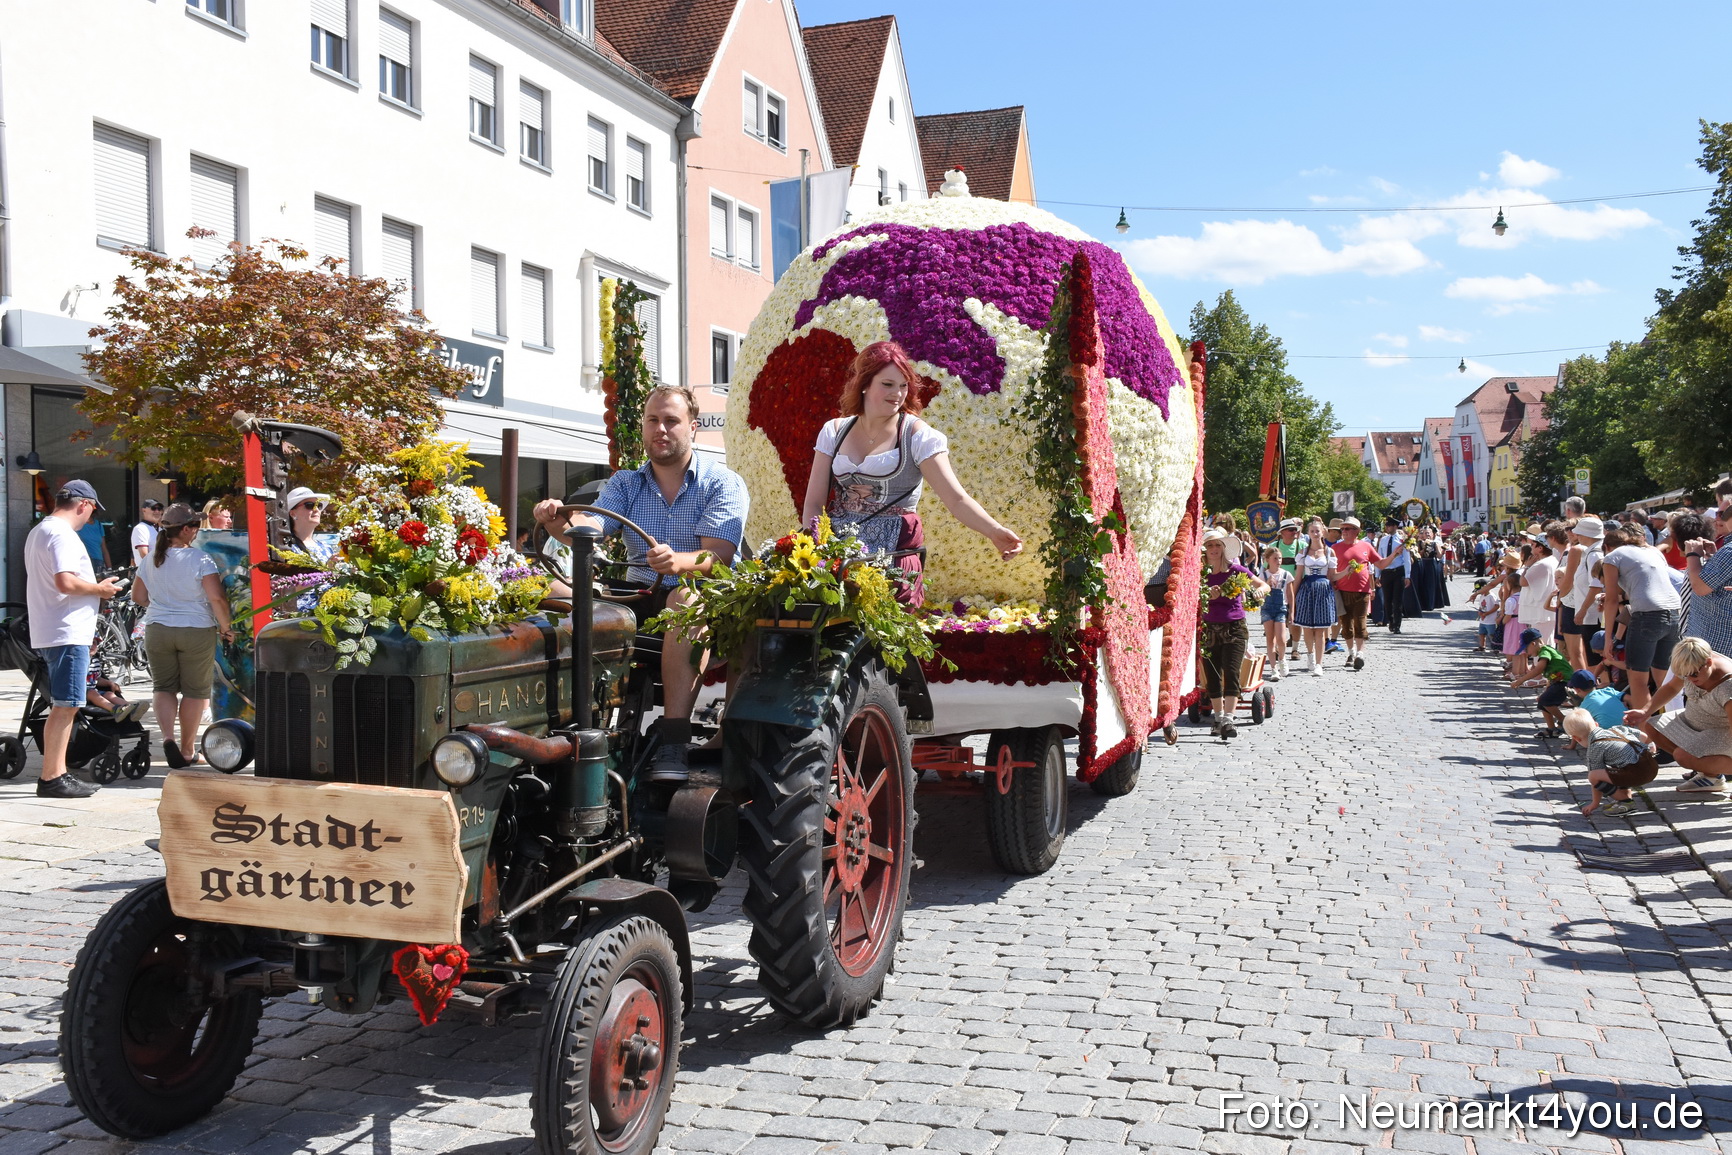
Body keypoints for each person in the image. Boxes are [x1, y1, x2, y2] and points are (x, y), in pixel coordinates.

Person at [534, 384, 748, 780]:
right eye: (653, 420)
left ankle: (674, 741)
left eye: (671, 421)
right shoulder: (626, 484)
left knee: (683, 599)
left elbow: (718, 556)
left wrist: (677, 561)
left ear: (693, 428)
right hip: (638, 595)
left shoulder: (722, 482)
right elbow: (589, 529)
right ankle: (552, 723)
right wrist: (557, 518)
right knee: (547, 589)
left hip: (705, 602)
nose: (661, 430)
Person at [801, 341, 1022, 606]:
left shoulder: (918, 436)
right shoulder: (834, 431)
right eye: (887, 384)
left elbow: (956, 499)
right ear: (864, 383)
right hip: (838, 556)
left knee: (879, 644)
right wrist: (815, 551)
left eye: (903, 385)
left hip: (891, 560)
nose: (897, 393)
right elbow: (814, 502)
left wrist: (995, 532)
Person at [24, 481, 123, 798]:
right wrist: (101, 589)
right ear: (84, 504)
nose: (90, 518)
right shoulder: (62, 534)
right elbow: (66, 582)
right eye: (93, 510)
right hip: (65, 631)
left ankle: (56, 774)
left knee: (65, 704)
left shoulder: (41, 530)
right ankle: (53, 777)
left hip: (57, 628)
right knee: (67, 705)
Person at [133, 503, 235, 768]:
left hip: (157, 629)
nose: (197, 532)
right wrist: (226, 628)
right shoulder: (199, 559)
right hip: (195, 629)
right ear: (187, 529)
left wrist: (165, 607)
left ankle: (168, 738)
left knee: (163, 687)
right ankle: (187, 750)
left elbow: (138, 597)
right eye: (195, 527)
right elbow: (217, 598)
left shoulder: (149, 559)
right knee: (194, 692)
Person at [1625, 637, 1732, 793]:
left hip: (1722, 730)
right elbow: (1671, 688)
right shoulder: (1690, 662)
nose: (1689, 679)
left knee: (1683, 756)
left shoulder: (1727, 685)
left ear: (1708, 663)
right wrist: (1645, 711)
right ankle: (1711, 777)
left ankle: (1715, 771)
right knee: (1652, 726)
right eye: (1685, 675)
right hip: (1694, 719)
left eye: (1693, 675)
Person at [1602, 522, 1681, 715]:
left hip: (1647, 616)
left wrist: (1608, 639)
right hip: (1674, 612)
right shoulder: (1652, 552)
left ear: (1607, 547)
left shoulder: (1612, 557)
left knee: (1638, 680)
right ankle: (1671, 732)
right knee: (1665, 680)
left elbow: (1612, 600)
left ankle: (1644, 736)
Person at [1198, 528, 1268, 740]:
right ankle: (1218, 717)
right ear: (1204, 550)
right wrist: (1205, 595)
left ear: (1224, 548)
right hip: (1209, 628)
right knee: (1212, 675)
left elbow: (1263, 585)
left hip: (1235, 627)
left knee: (1231, 671)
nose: (1214, 549)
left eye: (1217, 545)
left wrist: (1258, 592)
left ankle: (1229, 718)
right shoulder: (1199, 575)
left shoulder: (1236, 571)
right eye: (1210, 545)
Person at [1563, 708, 1656, 818]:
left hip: (1638, 774)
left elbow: (1595, 779)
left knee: (1593, 775)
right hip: (1651, 765)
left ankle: (1626, 802)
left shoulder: (1595, 747)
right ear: (1596, 724)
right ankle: (1625, 796)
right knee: (1619, 766)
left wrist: (1594, 804)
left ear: (1576, 738)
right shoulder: (1616, 729)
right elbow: (1643, 736)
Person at [1331, 517, 1387, 669]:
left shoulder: (1366, 546)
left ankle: (1360, 654)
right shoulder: (1335, 549)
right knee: (1346, 624)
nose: (1344, 532)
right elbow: (1331, 572)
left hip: (1362, 591)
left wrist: (1395, 554)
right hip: (1342, 591)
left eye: (1348, 529)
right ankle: (1351, 652)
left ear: (1357, 531)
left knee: (1360, 622)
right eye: (1342, 529)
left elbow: (1380, 563)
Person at [1292, 527, 1337, 676]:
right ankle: (1310, 655)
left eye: (1318, 530)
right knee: (1307, 627)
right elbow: (1298, 576)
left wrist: (1347, 571)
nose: (1315, 533)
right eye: (1312, 531)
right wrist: (1292, 597)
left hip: (1323, 590)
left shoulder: (1329, 552)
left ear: (1323, 532)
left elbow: (1332, 576)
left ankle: (1319, 663)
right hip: (1306, 589)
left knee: (1321, 628)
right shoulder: (1303, 553)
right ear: (1308, 533)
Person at [1516, 627, 1575, 738]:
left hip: (1565, 682)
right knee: (1542, 702)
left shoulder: (1545, 651)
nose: (1526, 652)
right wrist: (1547, 688)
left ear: (1533, 644)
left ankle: (1565, 722)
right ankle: (1551, 729)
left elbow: (1539, 669)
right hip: (1558, 682)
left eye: (1526, 649)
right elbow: (1551, 674)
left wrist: (1520, 681)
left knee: (1546, 701)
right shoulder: (1545, 651)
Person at [1683, 530, 1732, 659]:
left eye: (1722, 514)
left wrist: (1692, 554)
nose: (1718, 519)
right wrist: (1713, 559)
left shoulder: (1729, 551)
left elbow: (1699, 587)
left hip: (1714, 647)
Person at [1257, 544, 1291, 680]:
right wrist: (1266, 583)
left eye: (1280, 558)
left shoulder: (1285, 574)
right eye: (1275, 558)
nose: (1278, 561)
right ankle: (1273, 668)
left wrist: (1292, 611)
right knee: (1270, 639)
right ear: (1268, 560)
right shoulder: (1263, 574)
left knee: (1282, 639)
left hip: (1281, 608)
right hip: (1267, 608)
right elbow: (1258, 592)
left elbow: (1290, 593)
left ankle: (1282, 659)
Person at [1374, 518, 1412, 633]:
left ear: (1395, 526)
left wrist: (1407, 575)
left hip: (1398, 571)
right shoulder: (1383, 540)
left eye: (1390, 525)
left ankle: (1397, 625)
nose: (1388, 528)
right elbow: (1379, 557)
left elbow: (1406, 558)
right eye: (1387, 525)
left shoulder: (1402, 540)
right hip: (1386, 572)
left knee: (1397, 600)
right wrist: (1377, 575)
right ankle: (1390, 621)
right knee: (1387, 600)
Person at [285, 486, 336, 562]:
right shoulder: (286, 546)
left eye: (319, 506)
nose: (316, 510)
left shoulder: (327, 548)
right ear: (292, 513)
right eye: (310, 505)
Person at [130, 498, 164, 565]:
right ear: (144, 510)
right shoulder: (140, 529)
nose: (157, 511)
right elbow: (145, 555)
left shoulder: (161, 530)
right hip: (147, 573)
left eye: (159, 509)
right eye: (153, 508)